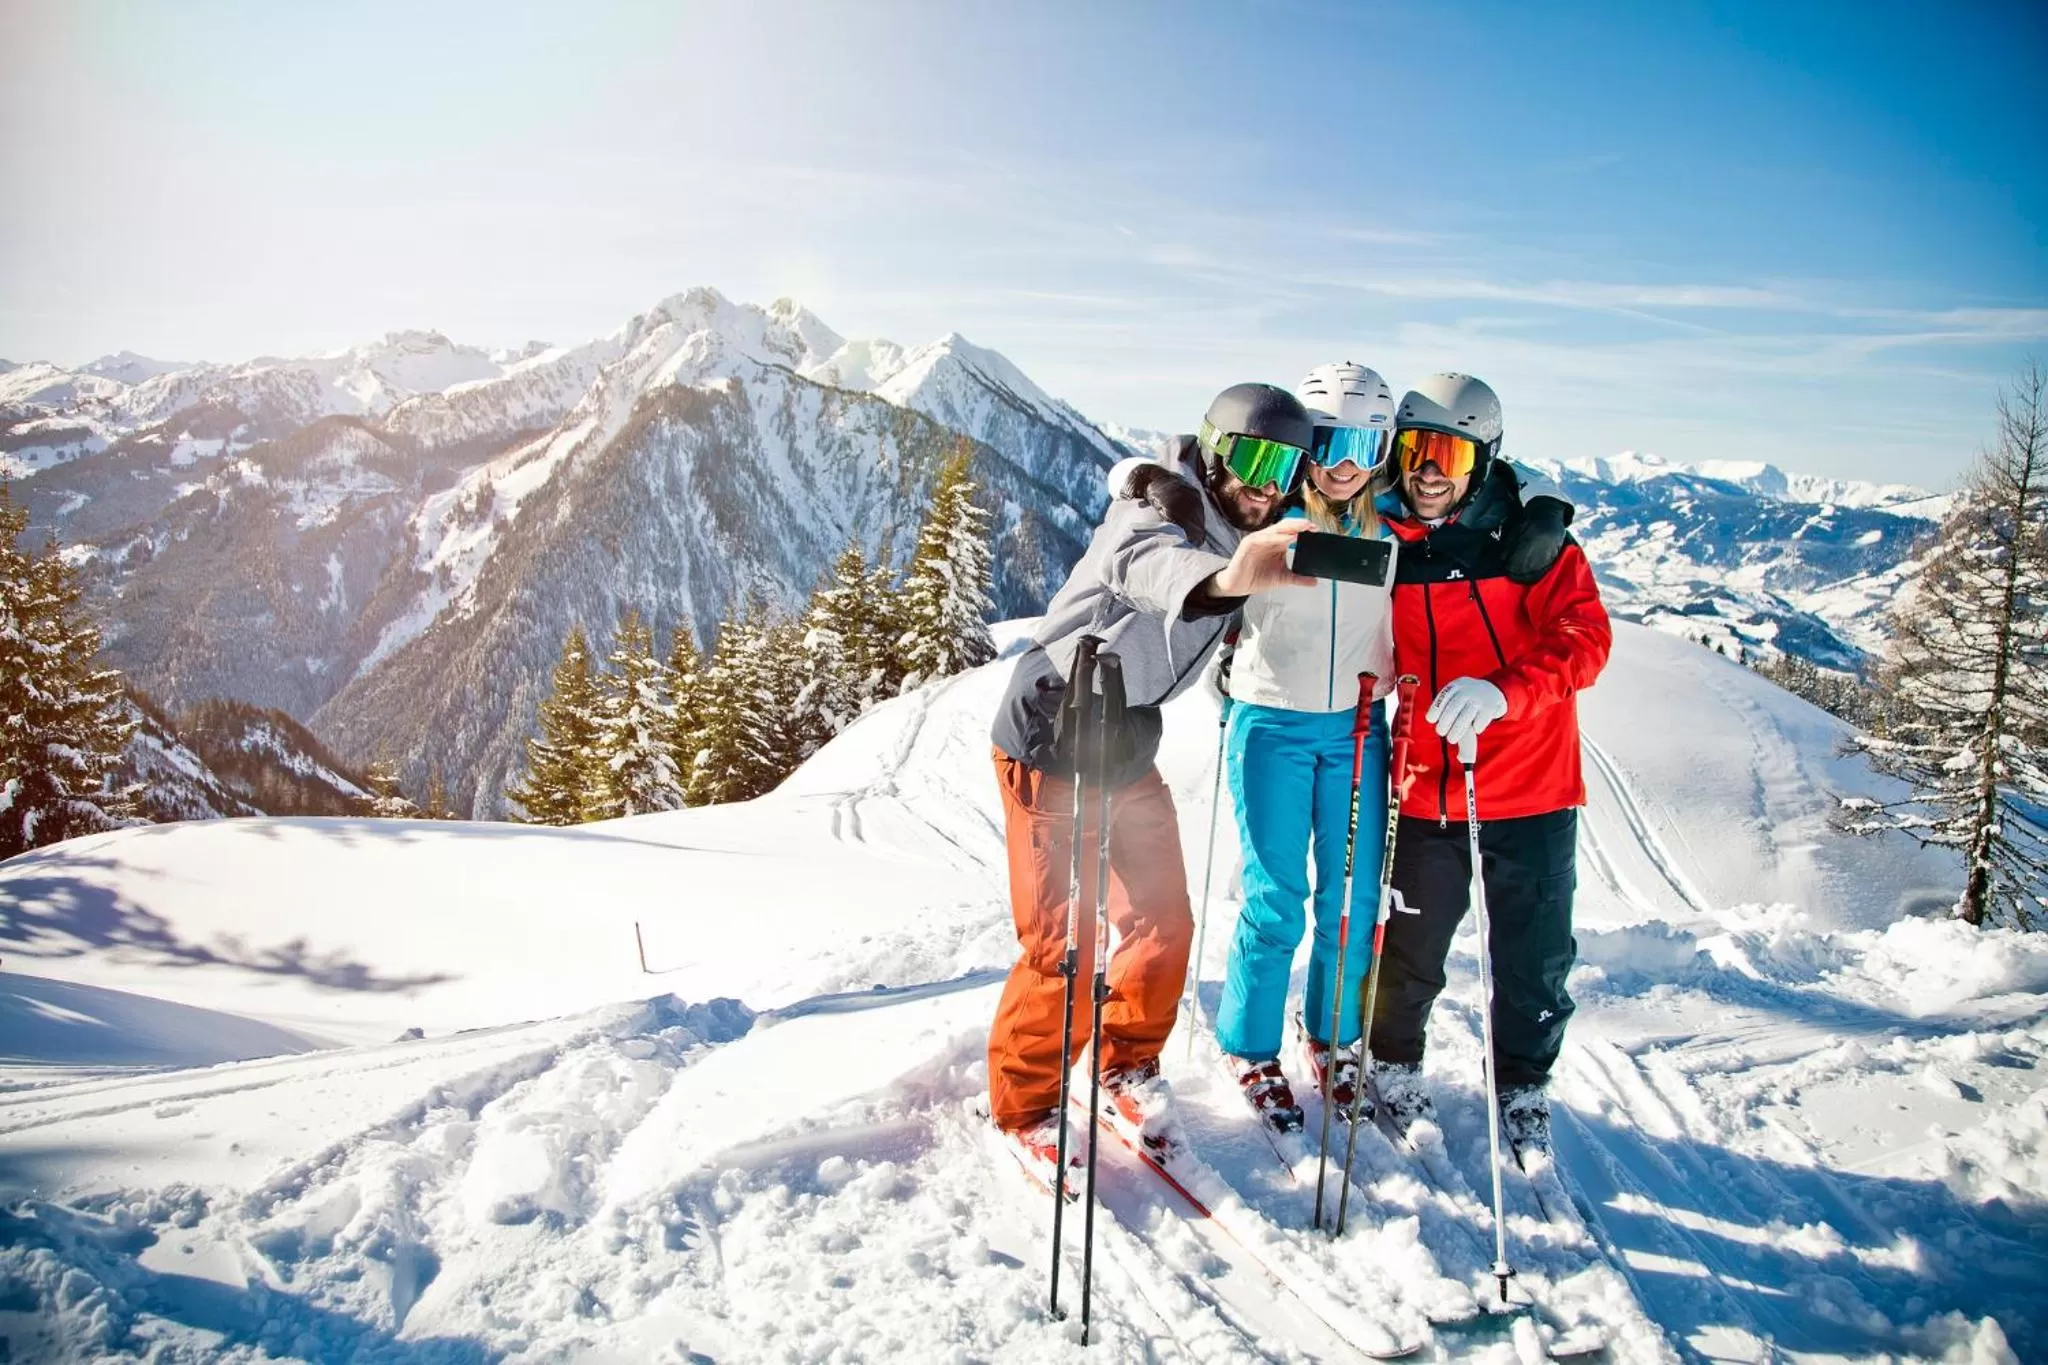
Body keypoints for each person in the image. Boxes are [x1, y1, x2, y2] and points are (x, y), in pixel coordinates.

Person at [987, 382, 1320, 1168]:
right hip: (1052, 731)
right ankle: (1024, 1106)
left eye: (1288, 464)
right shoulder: (1160, 517)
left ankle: (1126, 1060)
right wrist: (1231, 580)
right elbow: (1153, 566)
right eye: (1254, 456)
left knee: (1163, 921)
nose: (1269, 481)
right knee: (1064, 943)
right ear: (1215, 449)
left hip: (1125, 740)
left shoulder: (1240, 518)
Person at [1367, 372, 1610, 1160]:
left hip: (1531, 782)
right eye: (1415, 448)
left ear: (1483, 460)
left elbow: (1586, 638)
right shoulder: (1382, 535)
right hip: (1428, 783)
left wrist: (1506, 693)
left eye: (1448, 452)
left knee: (1535, 958)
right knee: (1410, 945)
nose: (1429, 470)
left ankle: (1523, 1086)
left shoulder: (1529, 543)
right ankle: (1394, 1064)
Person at [1212, 362, 1399, 1131]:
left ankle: (1332, 1035)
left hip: (1358, 724)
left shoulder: (1394, 529)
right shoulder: (1265, 518)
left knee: (1352, 900)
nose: (1345, 461)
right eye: (1328, 439)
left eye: (1364, 441)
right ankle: (1249, 1043)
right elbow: (1197, 510)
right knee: (1276, 896)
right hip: (1272, 723)